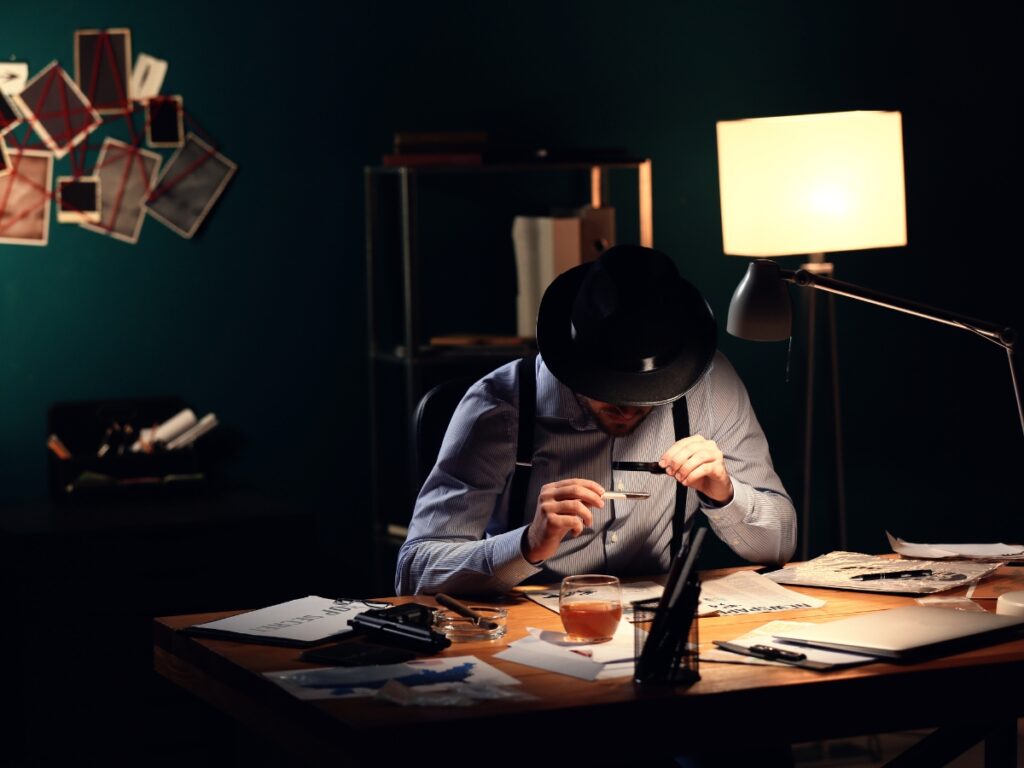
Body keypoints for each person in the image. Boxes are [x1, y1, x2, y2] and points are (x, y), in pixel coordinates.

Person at [396, 245, 796, 596]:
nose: (625, 407)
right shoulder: (500, 406)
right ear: (575, 363)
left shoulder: (710, 388)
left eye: (648, 393)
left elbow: (780, 544)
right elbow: (415, 571)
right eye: (609, 387)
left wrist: (724, 493)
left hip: (652, 627)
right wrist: (528, 543)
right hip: (526, 633)